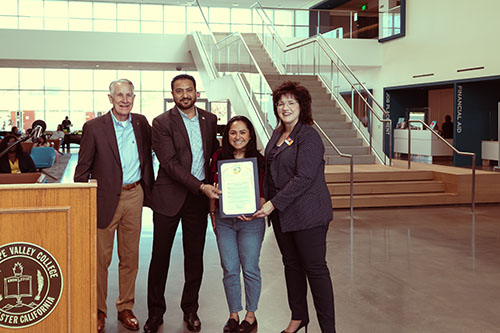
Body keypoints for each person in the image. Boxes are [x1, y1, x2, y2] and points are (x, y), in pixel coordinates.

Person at [253, 81, 336, 333]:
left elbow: (304, 178)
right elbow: (270, 170)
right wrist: (263, 197)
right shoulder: (278, 134)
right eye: (280, 103)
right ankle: (298, 317)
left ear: (302, 106)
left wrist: (272, 204)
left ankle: (328, 329)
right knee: (291, 265)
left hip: (308, 214)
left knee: (315, 270)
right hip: (282, 216)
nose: (285, 107)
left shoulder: (308, 136)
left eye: (291, 102)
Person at [74, 79, 154, 333]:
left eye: (129, 95)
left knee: (130, 257)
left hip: (135, 195)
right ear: (110, 98)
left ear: (134, 97)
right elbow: (82, 170)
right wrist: (83, 204)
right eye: (119, 95)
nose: (124, 100)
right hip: (104, 199)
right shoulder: (94, 127)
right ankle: (99, 310)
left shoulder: (142, 123)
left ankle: (125, 307)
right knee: (100, 260)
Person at [144, 74, 220, 333]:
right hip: (168, 197)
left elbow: (213, 158)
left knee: (194, 258)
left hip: (197, 201)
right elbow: (169, 163)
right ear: (172, 94)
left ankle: (191, 309)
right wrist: (200, 185)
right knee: (160, 257)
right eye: (179, 91)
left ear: (197, 93)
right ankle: (155, 313)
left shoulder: (209, 120)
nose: (184, 94)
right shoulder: (162, 122)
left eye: (189, 90)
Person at [209, 116, 266, 333]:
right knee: (230, 268)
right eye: (233, 132)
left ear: (250, 135)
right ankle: (233, 314)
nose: (238, 137)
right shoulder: (217, 158)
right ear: (227, 136)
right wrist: (212, 213)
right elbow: (211, 188)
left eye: (243, 132)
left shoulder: (259, 161)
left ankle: (250, 316)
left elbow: (264, 192)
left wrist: (256, 210)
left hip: (251, 222)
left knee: (250, 267)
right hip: (224, 221)